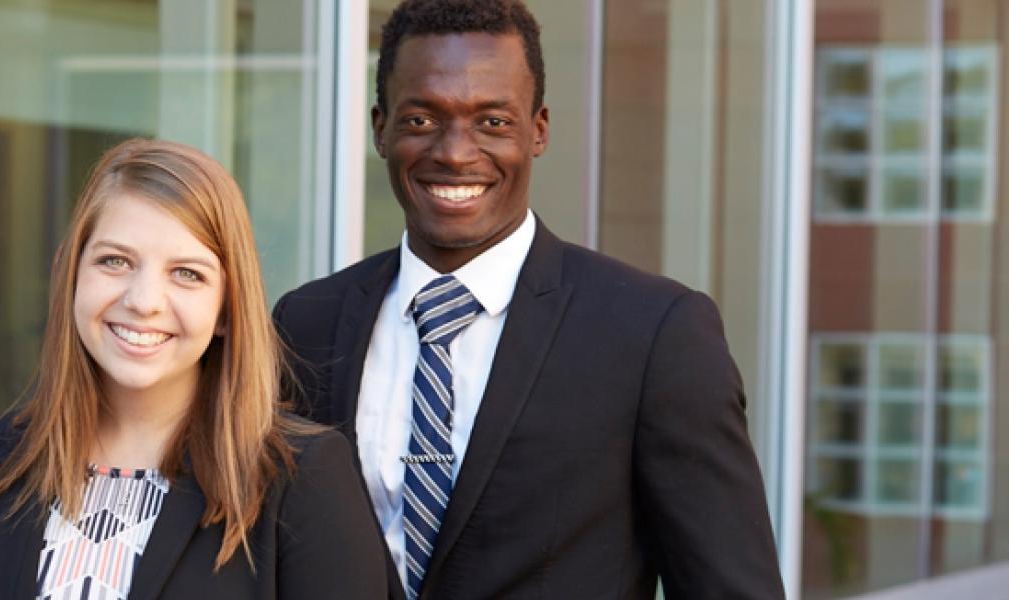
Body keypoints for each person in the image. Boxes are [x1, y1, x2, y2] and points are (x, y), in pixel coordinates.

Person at [272, 1, 784, 598]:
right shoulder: (306, 322)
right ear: (380, 127)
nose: (455, 153)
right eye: (421, 120)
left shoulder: (654, 334)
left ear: (537, 130)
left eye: (492, 122)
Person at [0, 138, 389, 600]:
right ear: (71, 276)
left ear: (228, 309)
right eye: (115, 261)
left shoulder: (302, 479)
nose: (143, 301)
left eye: (186, 273)